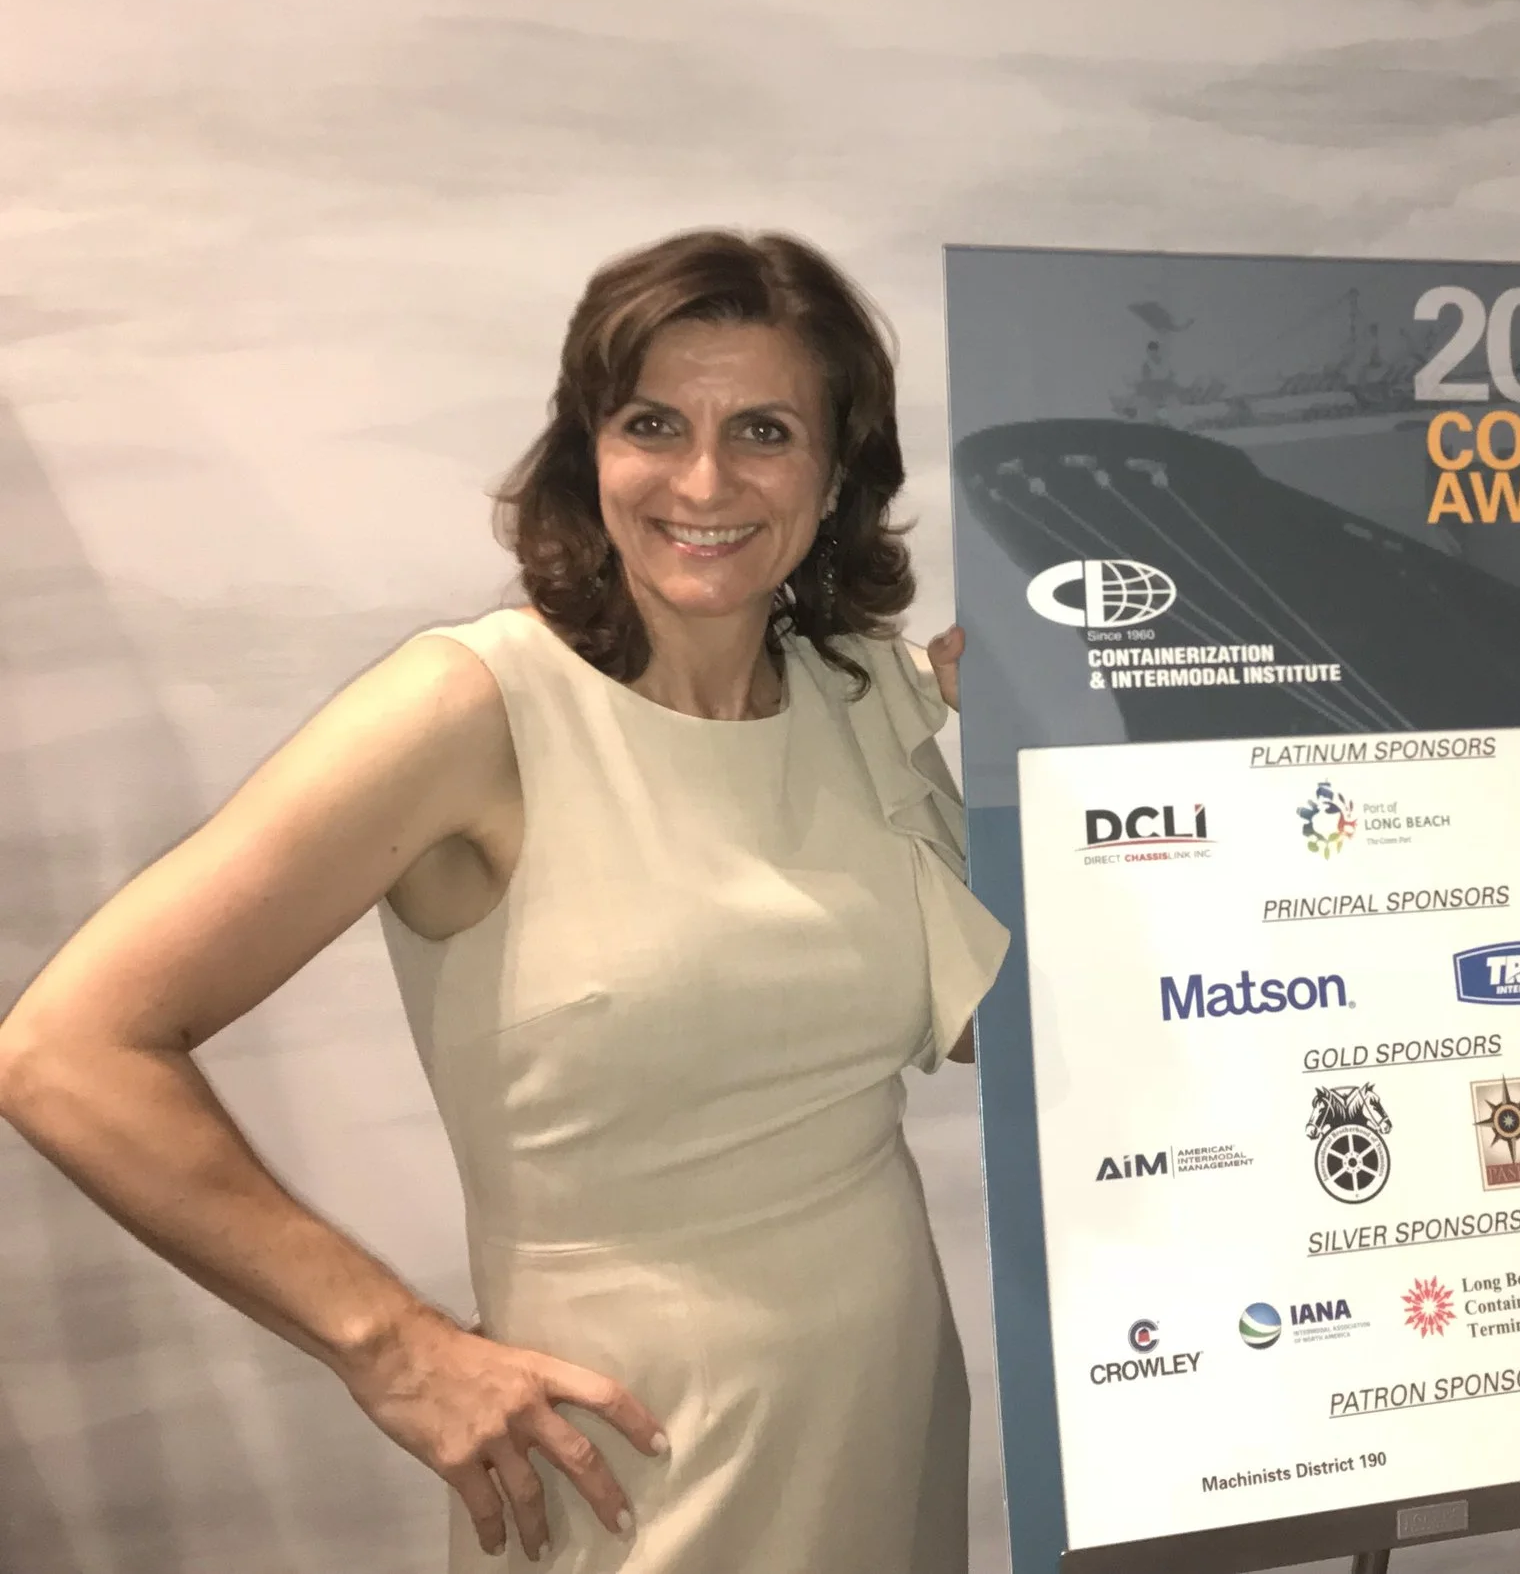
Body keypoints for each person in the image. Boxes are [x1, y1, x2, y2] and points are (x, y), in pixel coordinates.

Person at [0, 230, 1008, 1571]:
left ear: (835, 478)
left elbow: (994, 1025)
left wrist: (1048, 766)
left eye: (763, 429)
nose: (704, 478)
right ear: (592, 451)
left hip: (881, 1424)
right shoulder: (470, 707)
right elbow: (66, 1051)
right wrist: (395, 1347)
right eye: (656, 422)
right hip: (634, 1476)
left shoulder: (856, 698)